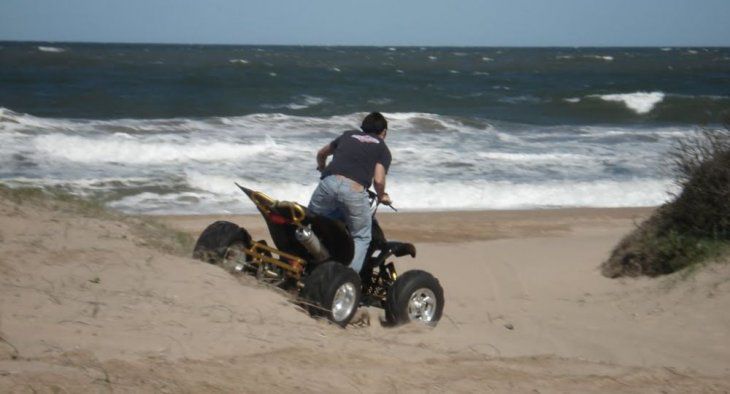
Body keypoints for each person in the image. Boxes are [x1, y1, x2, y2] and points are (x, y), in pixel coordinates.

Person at [308, 112, 392, 273]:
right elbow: (379, 180)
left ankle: (306, 262)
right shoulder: (382, 148)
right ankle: (345, 278)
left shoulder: (348, 136)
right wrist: (382, 196)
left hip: (327, 184)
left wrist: (323, 168)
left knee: (312, 223)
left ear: (363, 128)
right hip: (354, 191)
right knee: (362, 236)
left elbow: (321, 153)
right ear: (384, 133)